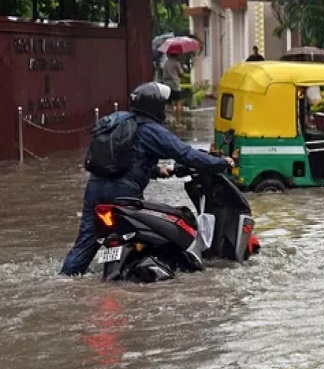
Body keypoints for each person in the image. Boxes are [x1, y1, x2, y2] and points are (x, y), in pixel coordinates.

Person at [60, 82, 235, 277]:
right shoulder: (151, 130)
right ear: (156, 106)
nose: (166, 109)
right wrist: (221, 162)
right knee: (138, 238)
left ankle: (66, 279)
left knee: (86, 241)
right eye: (164, 105)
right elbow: (185, 154)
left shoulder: (117, 121)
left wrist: (156, 171)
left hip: (95, 187)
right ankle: (135, 279)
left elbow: (124, 158)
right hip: (124, 191)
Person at [162, 50, 185, 128]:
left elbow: (163, 74)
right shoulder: (176, 63)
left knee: (167, 103)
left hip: (166, 85)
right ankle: (177, 123)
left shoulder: (165, 63)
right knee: (178, 103)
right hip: (175, 85)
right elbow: (181, 73)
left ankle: (164, 119)